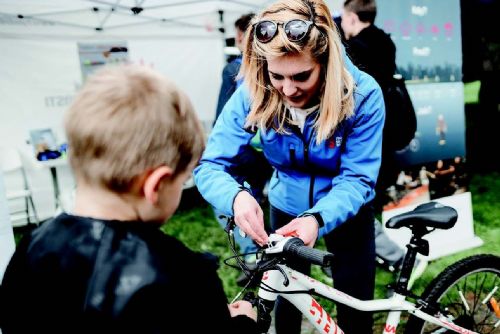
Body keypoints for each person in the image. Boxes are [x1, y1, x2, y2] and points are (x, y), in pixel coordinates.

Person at [0, 65, 257, 334]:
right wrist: (242, 324)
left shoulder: (32, 247)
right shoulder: (183, 276)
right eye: (181, 182)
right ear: (155, 185)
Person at [194, 0, 385, 332]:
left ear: (327, 63)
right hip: (285, 207)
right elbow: (209, 165)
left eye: (301, 76)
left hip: (346, 210)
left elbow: (357, 179)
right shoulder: (253, 90)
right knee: (286, 303)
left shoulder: (363, 94)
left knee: (355, 307)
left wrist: (317, 218)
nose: (288, 89)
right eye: (276, 75)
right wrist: (236, 198)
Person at [213, 12, 272, 286]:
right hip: (270, 155)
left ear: (241, 37)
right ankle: (266, 253)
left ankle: (251, 257)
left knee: (235, 203)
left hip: (243, 153)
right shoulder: (275, 67)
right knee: (258, 201)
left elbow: (221, 119)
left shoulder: (234, 70)